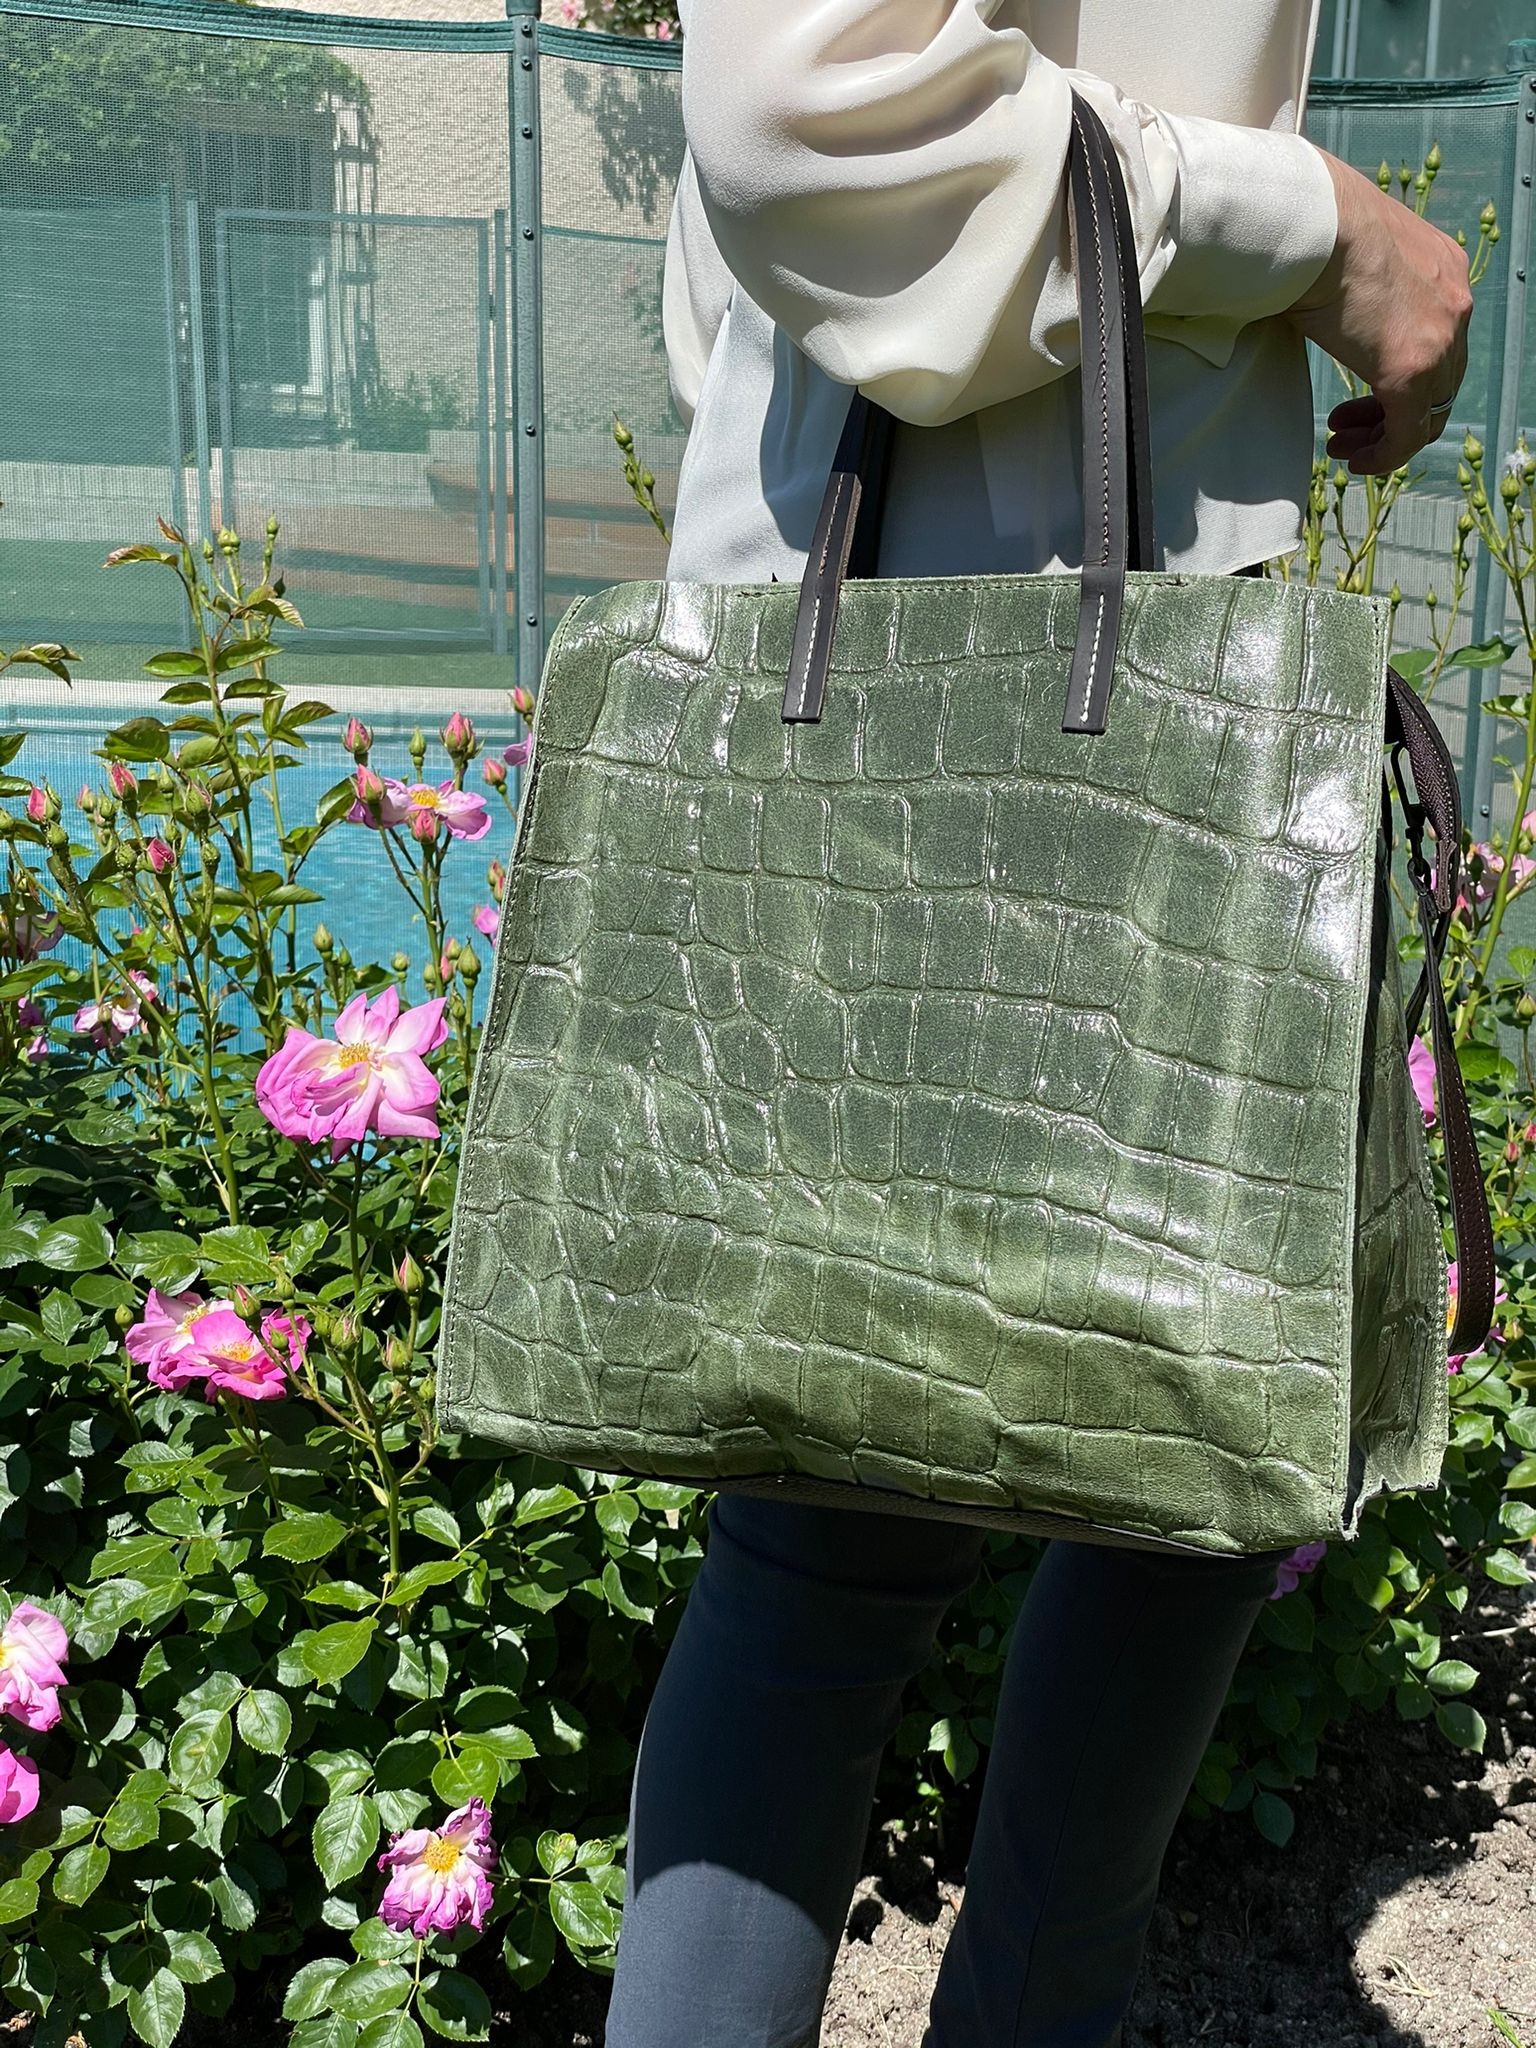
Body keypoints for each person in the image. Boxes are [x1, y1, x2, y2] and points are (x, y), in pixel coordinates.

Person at [603, 6, 1473, 2045]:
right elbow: (804, 101)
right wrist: (1317, 226)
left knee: (1183, 1471)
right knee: (864, 1521)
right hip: (941, 646)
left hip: (1051, 626)